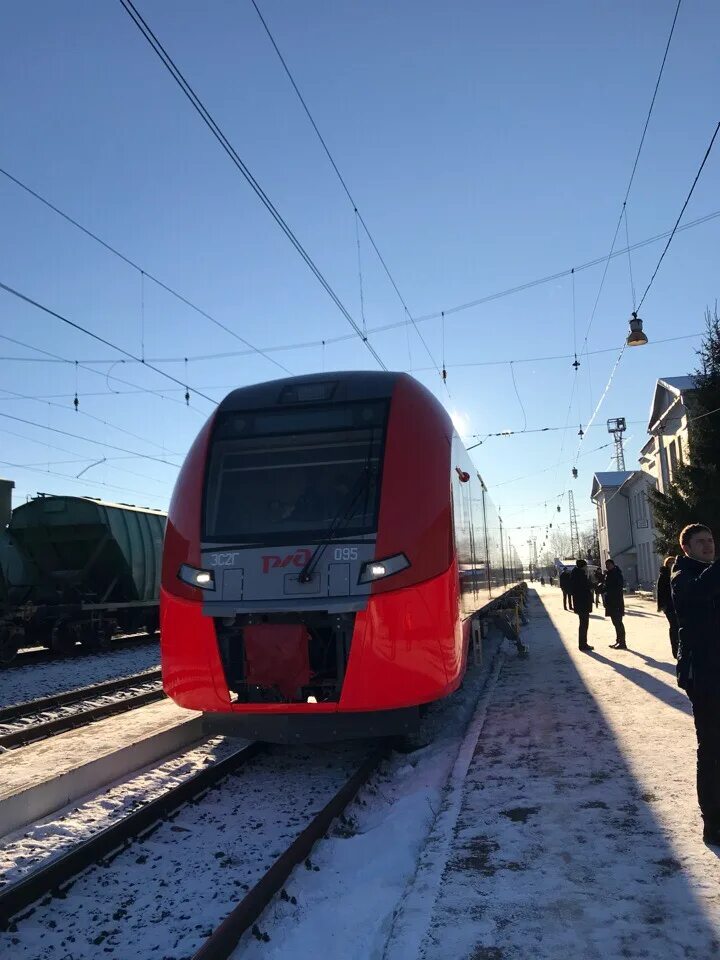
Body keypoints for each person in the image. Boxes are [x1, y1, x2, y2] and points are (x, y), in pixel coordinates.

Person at [671, 523, 720, 846]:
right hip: (702, 674)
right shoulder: (682, 576)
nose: (708, 546)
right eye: (700, 542)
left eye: (711, 540)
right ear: (686, 548)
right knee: (713, 749)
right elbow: (700, 593)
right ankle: (713, 824)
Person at [657, 555, 679, 659]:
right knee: (674, 627)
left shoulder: (678, 573)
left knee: (679, 627)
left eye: (673, 562)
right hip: (669, 606)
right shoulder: (664, 575)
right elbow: (660, 591)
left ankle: (679, 648)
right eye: (670, 562)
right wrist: (662, 605)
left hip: (678, 605)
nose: (672, 564)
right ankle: (675, 650)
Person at [570, 558, 594, 651]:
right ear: (582, 566)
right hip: (582, 603)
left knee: (583, 624)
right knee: (584, 624)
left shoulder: (575, 574)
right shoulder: (580, 575)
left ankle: (583, 643)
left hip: (580, 603)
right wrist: (593, 584)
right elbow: (586, 586)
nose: (586, 567)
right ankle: (583, 644)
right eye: (585, 566)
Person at [603, 559, 627, 650]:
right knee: (615, 623)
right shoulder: (609, 574)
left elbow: (616, 587)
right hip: (611, 602)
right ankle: (618, 641)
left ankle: (622, 642)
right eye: (606, 565)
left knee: (618, 623)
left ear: (613, 564)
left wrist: (606, 588)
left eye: (608, 564)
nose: (607, 566)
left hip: (616, 602)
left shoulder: (616, 573)